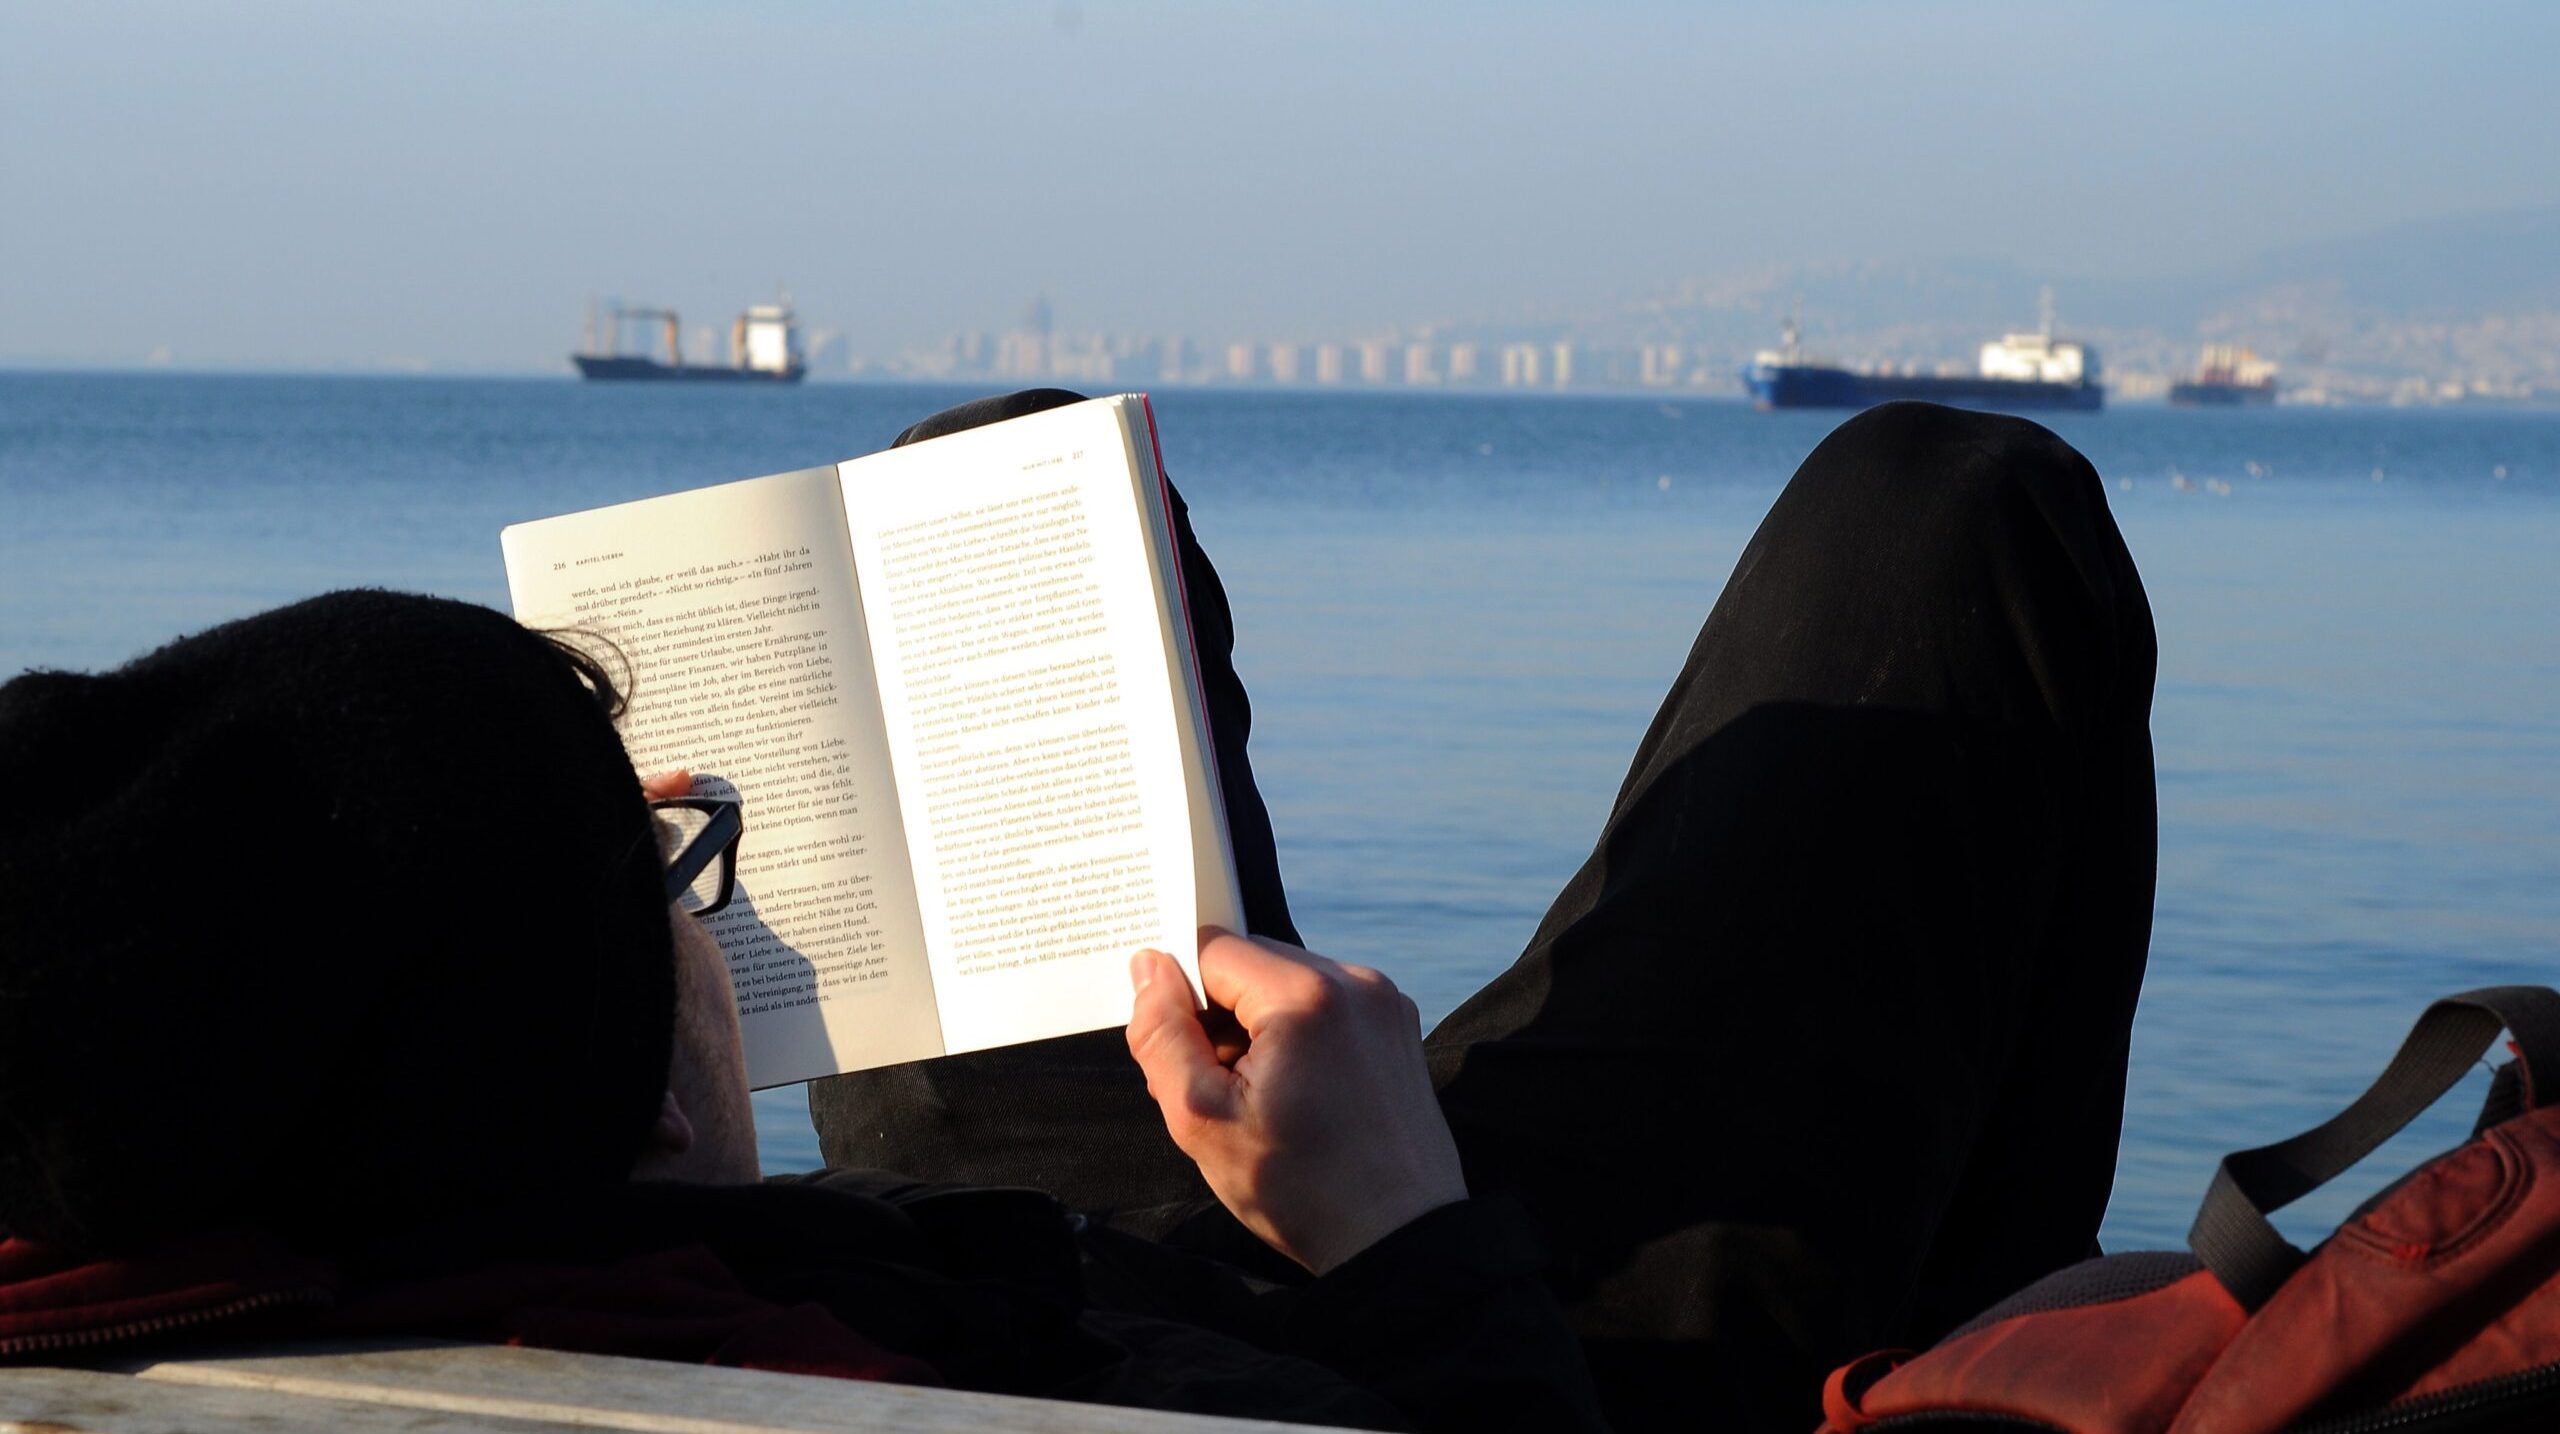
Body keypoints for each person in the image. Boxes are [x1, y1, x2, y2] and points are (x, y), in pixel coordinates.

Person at [0, 396, 2154, 1434]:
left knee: (994, 472)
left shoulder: (120, 1189)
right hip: (1476, 1347)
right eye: (672, 869)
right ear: (634, 1098)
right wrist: (1400, 1223)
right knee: (1950, 514)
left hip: (1015, 1267)